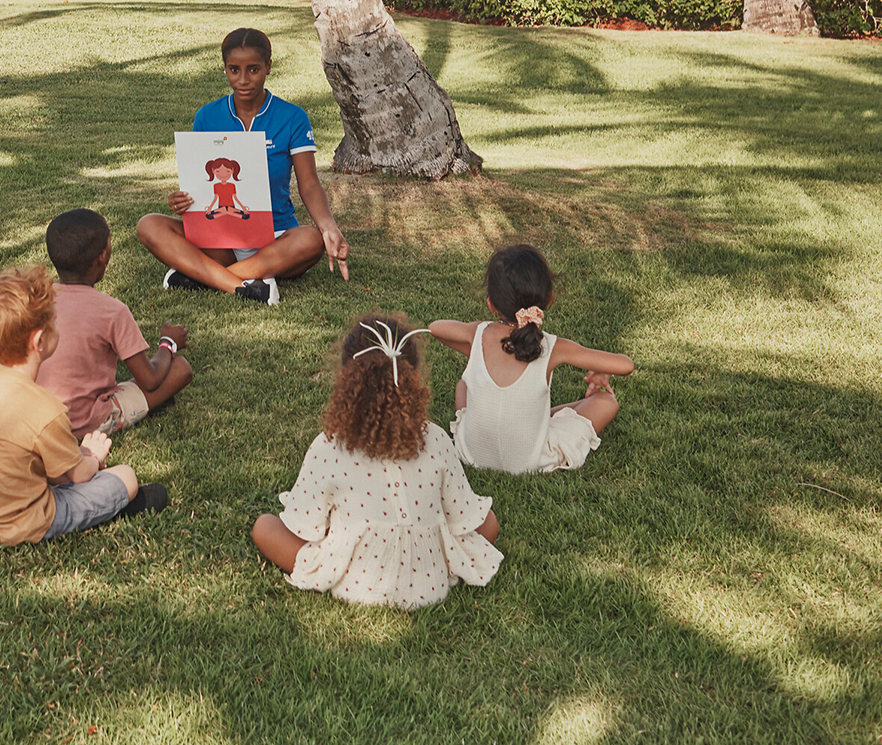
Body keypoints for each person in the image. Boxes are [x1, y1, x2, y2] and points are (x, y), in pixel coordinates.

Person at [252, 314, 503, 609]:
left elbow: (303, 525)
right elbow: (469, 518)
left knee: (264, 527)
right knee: (488, 521)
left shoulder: (330, 446)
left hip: (357, 584)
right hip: (430, 582)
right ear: (413, 378)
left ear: (346, 378)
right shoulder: (435, 439)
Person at [0, 265, 168, 545]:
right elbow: (75, 477)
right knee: (126, 476)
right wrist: (93, 456)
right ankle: (113, 508)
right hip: (17, 524)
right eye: (54, 322)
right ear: (39, 340)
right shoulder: (44, 409)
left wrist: (78, 453)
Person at [137, 27, 349, 305]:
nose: (243, 80)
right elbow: (201, 184)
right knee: (148, 225)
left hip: (275, 238)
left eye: (253, 69)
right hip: (219, 238)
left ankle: (203, 277)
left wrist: (329, 227)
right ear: (225, 69)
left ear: (268, 67)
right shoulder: (207, 117)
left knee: (311, 240)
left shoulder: (292, 117)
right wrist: (182, 200)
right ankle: (247, 284)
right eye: (234, 70)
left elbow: (308, 183)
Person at [425, 244, 635, 475]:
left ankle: (530, 420)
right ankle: (536, 420)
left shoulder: (477, 333)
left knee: (463, 385)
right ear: (550, 299)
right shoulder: (554, 347)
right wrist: (600, 369)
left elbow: (436, 328)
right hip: (529, 462)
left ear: (490, 304)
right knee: (606, 401)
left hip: (472, 454)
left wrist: (475, 347)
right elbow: (625, 365)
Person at [37, 209, 195, 436]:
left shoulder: (37, 300)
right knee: (180, 369)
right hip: (84, 422)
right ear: (103, 257)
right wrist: (168, 343)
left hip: (36, 417)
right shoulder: (112, 310)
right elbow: (150, 379)